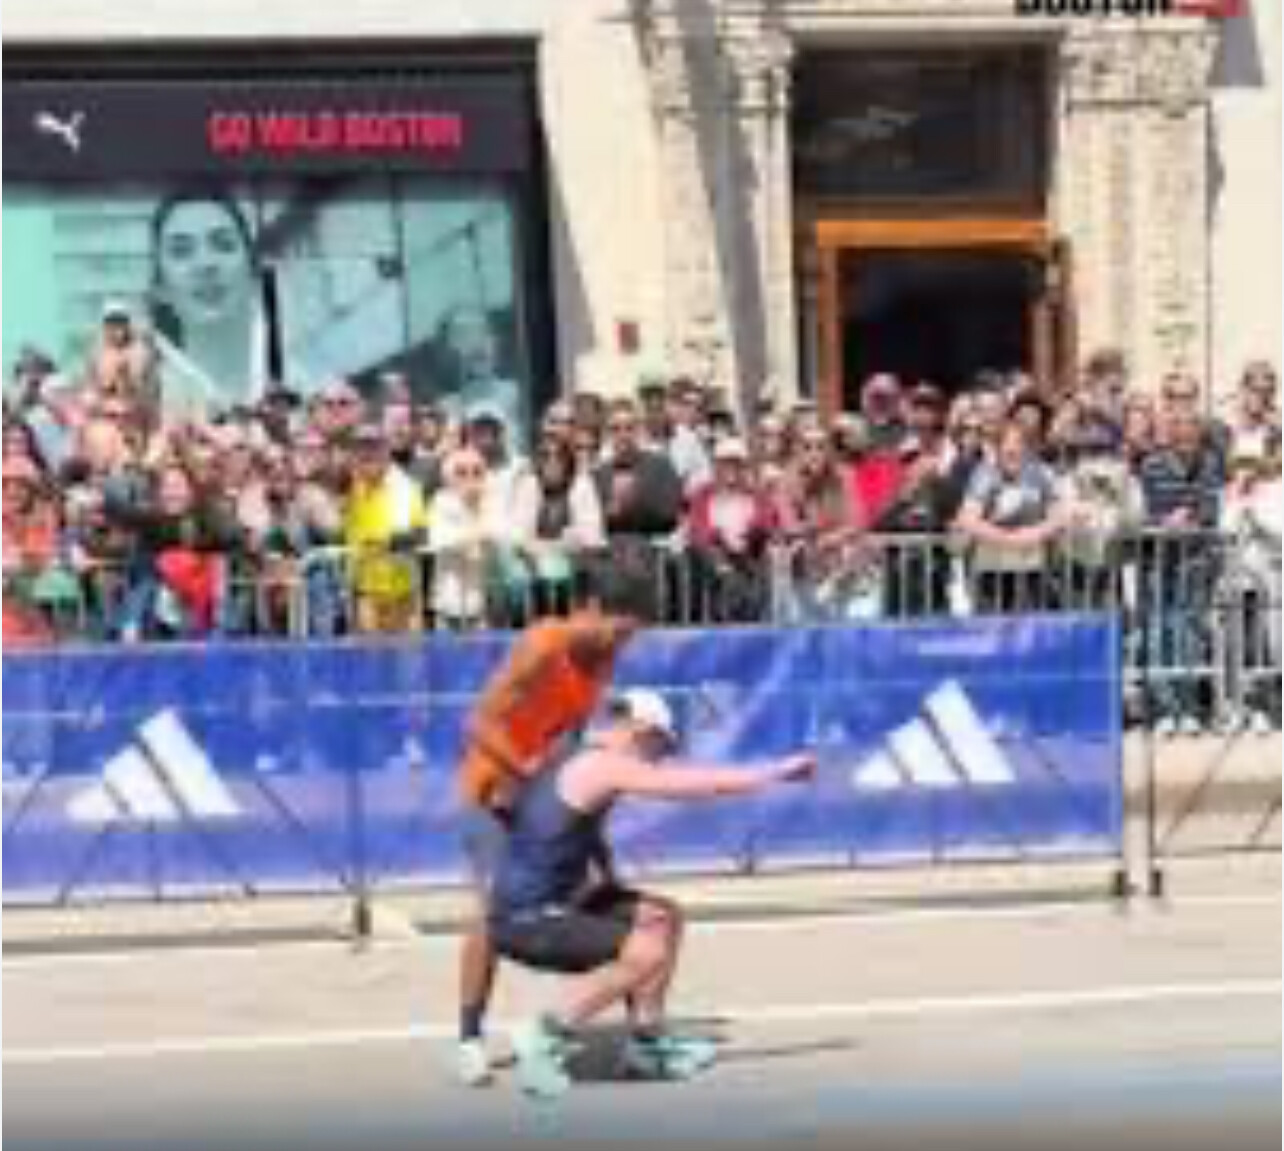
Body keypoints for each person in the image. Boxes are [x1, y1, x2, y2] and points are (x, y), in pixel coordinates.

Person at [490, 689, 814, 1099]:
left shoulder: (577, 757)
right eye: (662, 745)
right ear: (639, 730)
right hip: (527, 919)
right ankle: (545, 1033)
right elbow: (695, 785)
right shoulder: (602, 765)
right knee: (646, 951)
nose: (662, 757)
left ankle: (647, 1045)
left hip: (547, 904)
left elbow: (537, 815)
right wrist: (774, 773)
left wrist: (602, 875)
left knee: (661, 916)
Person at [453, 601, 639, 1086]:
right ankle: (469, 1040)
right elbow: (479, 723)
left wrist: (586, 821)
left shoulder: (602, 663)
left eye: (628, 638)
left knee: (613, 897)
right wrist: (525, 774)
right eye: (616, 631)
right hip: (492, 792)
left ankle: (636, 1035)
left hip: (543, 801)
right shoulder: (543, 643)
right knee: (490, 912)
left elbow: (568, 737)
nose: (619, 646)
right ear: (590, 609)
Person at [148, 190, 261, 414]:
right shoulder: (143, 407)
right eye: (181, 251)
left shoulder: (310, 389)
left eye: (224, 245)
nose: (205, 264)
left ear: (253, 272)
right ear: (161, 288)